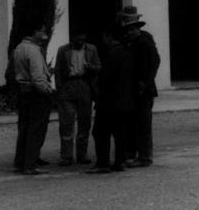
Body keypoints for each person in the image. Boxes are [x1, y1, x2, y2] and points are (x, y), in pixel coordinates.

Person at [118, 6, 161, 167]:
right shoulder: (126, 41)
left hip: (143, 89)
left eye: (132, 28)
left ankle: (144, 156)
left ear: (138, 27)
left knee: (143, 123)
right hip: (130, 89)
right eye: (127, 27)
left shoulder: (145, 40)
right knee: (130, 122)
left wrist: (145, 82)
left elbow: (154, 62)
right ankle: (131, 152)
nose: (129, 31)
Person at [88, 25, 133, 174]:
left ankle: (103, 163)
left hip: (109, 101)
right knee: (120, 133)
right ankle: (120, 161)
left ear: (109, 36)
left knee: (100, 132)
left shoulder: (112, 54)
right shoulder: (126, 52)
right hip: (124, 100)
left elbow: (106, 79)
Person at [54, 28, 101, 166]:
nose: (80, 42)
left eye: (83, 40)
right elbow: (58, 70)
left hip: (85, 85)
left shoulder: (91, 49)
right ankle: (66, 156)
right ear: (72, 38)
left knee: (84, 122)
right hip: (68, 85)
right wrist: (60, 89)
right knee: (66, 123)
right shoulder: (63, 50)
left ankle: (82, 155)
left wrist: (91, 67)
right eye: (77, 40)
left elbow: (99, 67)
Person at [12, 22, 54, 175]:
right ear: (34, 32)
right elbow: (37, 78)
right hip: (36, 94)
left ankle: (20, 162)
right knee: (36, 129)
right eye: (41, 30)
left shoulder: (19, 48)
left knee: (24, 127)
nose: (44, 33)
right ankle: (30, 164)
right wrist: (48, 91)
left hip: (24, 91)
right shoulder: (33, 50)